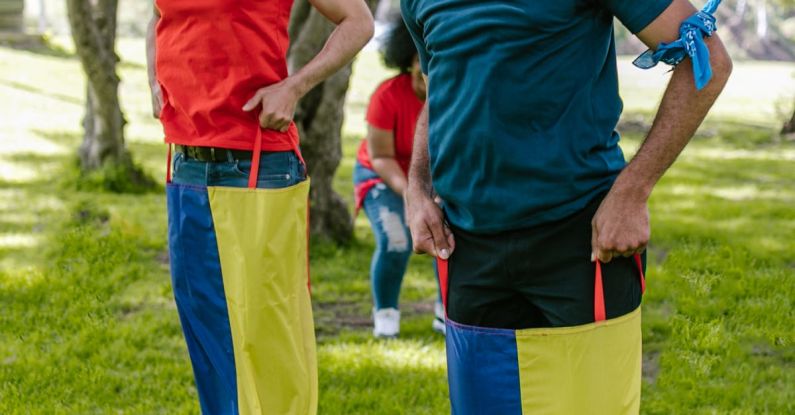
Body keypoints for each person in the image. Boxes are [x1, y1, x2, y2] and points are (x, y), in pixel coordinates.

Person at [402, 0, 731, 413]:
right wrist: (417, 187)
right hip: (467, 244)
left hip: (578, 237)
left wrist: (632, 191)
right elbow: (442, 85)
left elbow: (707, 59)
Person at [146, 1, 373, 414]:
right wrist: (153, 79)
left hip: (254, 162)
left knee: (267, 337)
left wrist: (293, 87)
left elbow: (359, 22)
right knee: (208, 331)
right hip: (186, 163)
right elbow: (160, 16)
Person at [352, 16, 444, 338]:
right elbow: (380, 156)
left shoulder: (452, 97)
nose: (426, 71)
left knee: (447, 235)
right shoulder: (387, 95)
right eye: (422, 62)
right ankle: (386, 316)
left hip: (434, 179)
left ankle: (445, 313)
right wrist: (411, 191)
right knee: (396, 241)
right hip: (384, 176)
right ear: (408, 60)